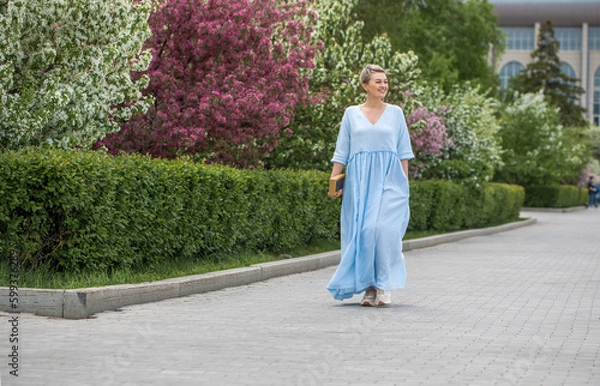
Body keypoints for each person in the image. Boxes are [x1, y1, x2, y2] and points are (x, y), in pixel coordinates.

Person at [327, 64, 414, 307]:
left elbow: (403, 153)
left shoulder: (396, 113)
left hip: (390, 180)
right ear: (365, 85)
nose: (383, 85)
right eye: (378, 81)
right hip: (360, 182)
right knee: (364, 233)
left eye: (385, 81)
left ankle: (384, 284)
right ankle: (369, 287)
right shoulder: (351, 114)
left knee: (383, 230)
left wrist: (404, 186)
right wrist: (334, 181)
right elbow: (341, 151)